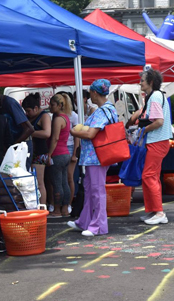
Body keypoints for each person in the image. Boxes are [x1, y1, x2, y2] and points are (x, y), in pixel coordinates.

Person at [67, 79, 118, 237]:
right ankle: (85, 221)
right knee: (90, 189)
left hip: (96, 156)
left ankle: (98, 226)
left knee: (96, 190)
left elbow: (90, 133)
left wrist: (74, 132)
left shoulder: (102, 111)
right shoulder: (108, 109)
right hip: (96, 156)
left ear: (95, 93)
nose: (89, 96)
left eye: (90, 93)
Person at [135, 69, 173, 226]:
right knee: (151, 176)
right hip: (158, 141)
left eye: (142, 80)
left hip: (157, 141)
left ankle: (159, 212)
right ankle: (153, 210)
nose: (140, 83)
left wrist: (143, 130)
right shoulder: (156, 96)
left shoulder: (155, 96)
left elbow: (158, 121)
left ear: (150, 82)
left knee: (148, 176)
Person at [45, 93, 72, 218]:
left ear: (59, 105)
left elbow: (55, 138)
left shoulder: (57, 119)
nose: (50, 107)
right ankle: (65, 209)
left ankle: (57, 210)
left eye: (52, 104)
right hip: (65, 153)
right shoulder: (66, 117)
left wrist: (49, 154)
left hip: (57, 154)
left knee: (56, 183)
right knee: (64, 182)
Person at [22, 93, 51, 207]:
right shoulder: (30, 117)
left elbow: (47, 133)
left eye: (28, 110)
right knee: (32, 182)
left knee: (39, 182)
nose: (27, 113)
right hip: (30, 152)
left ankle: (42, 208)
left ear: (36, 108)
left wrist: (30, 133)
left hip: (40, 152)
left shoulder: (44, 116)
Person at [59, 92, 80, 210]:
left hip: (70, 146)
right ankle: (62, 203)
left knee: (69, 177)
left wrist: (75, 153)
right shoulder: (55, 116)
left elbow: (77, 135)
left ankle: (69, 204)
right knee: (60, 178)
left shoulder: (73, 115)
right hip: (61, 147)